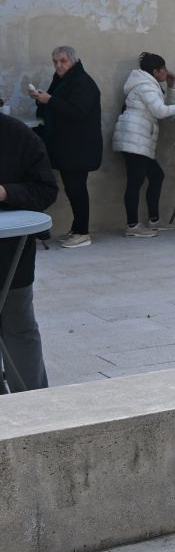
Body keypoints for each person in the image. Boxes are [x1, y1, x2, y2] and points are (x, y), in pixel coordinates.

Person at [0, 113, 59, 391]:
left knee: (19, 327)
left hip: (9, 258)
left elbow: (46, 190)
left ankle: (33, 405)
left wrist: (5, 192)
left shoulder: (17, 135)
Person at [29, 46, 102, 248]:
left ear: (74, 61)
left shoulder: (83, 82)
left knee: (77, 189)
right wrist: (41, 98)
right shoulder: (62, 80)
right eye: (55, 61)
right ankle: (76, 228)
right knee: (72, 188)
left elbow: (77, 112)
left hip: (80, 147)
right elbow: (54, 104)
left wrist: (50, 100)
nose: (59, 65)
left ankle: (82, 233)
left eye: (63, 61)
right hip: (67, 146)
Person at [112, 52, 175, 237]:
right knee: (135, 181)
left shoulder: (148, 84)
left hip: (138, 139)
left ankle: (154, 221)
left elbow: (163, 107)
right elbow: (161, 111)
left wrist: (171, 87)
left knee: (156, 176)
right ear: (155, 71)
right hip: (134, 138)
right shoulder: (146, 86)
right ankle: (132, 226)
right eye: (164, 69)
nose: (166, 71)